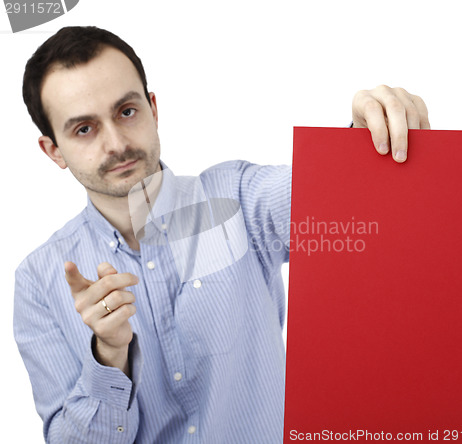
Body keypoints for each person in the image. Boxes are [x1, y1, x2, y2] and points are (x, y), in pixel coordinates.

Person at [14, 26, 430, 444]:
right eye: (84, 129)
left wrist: (360, 139)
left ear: (153, 108)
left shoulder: (238, 198)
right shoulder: (38, 280)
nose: (117, 143)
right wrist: (108, 355)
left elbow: (342, 198)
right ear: (53, 150)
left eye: (126, 111)